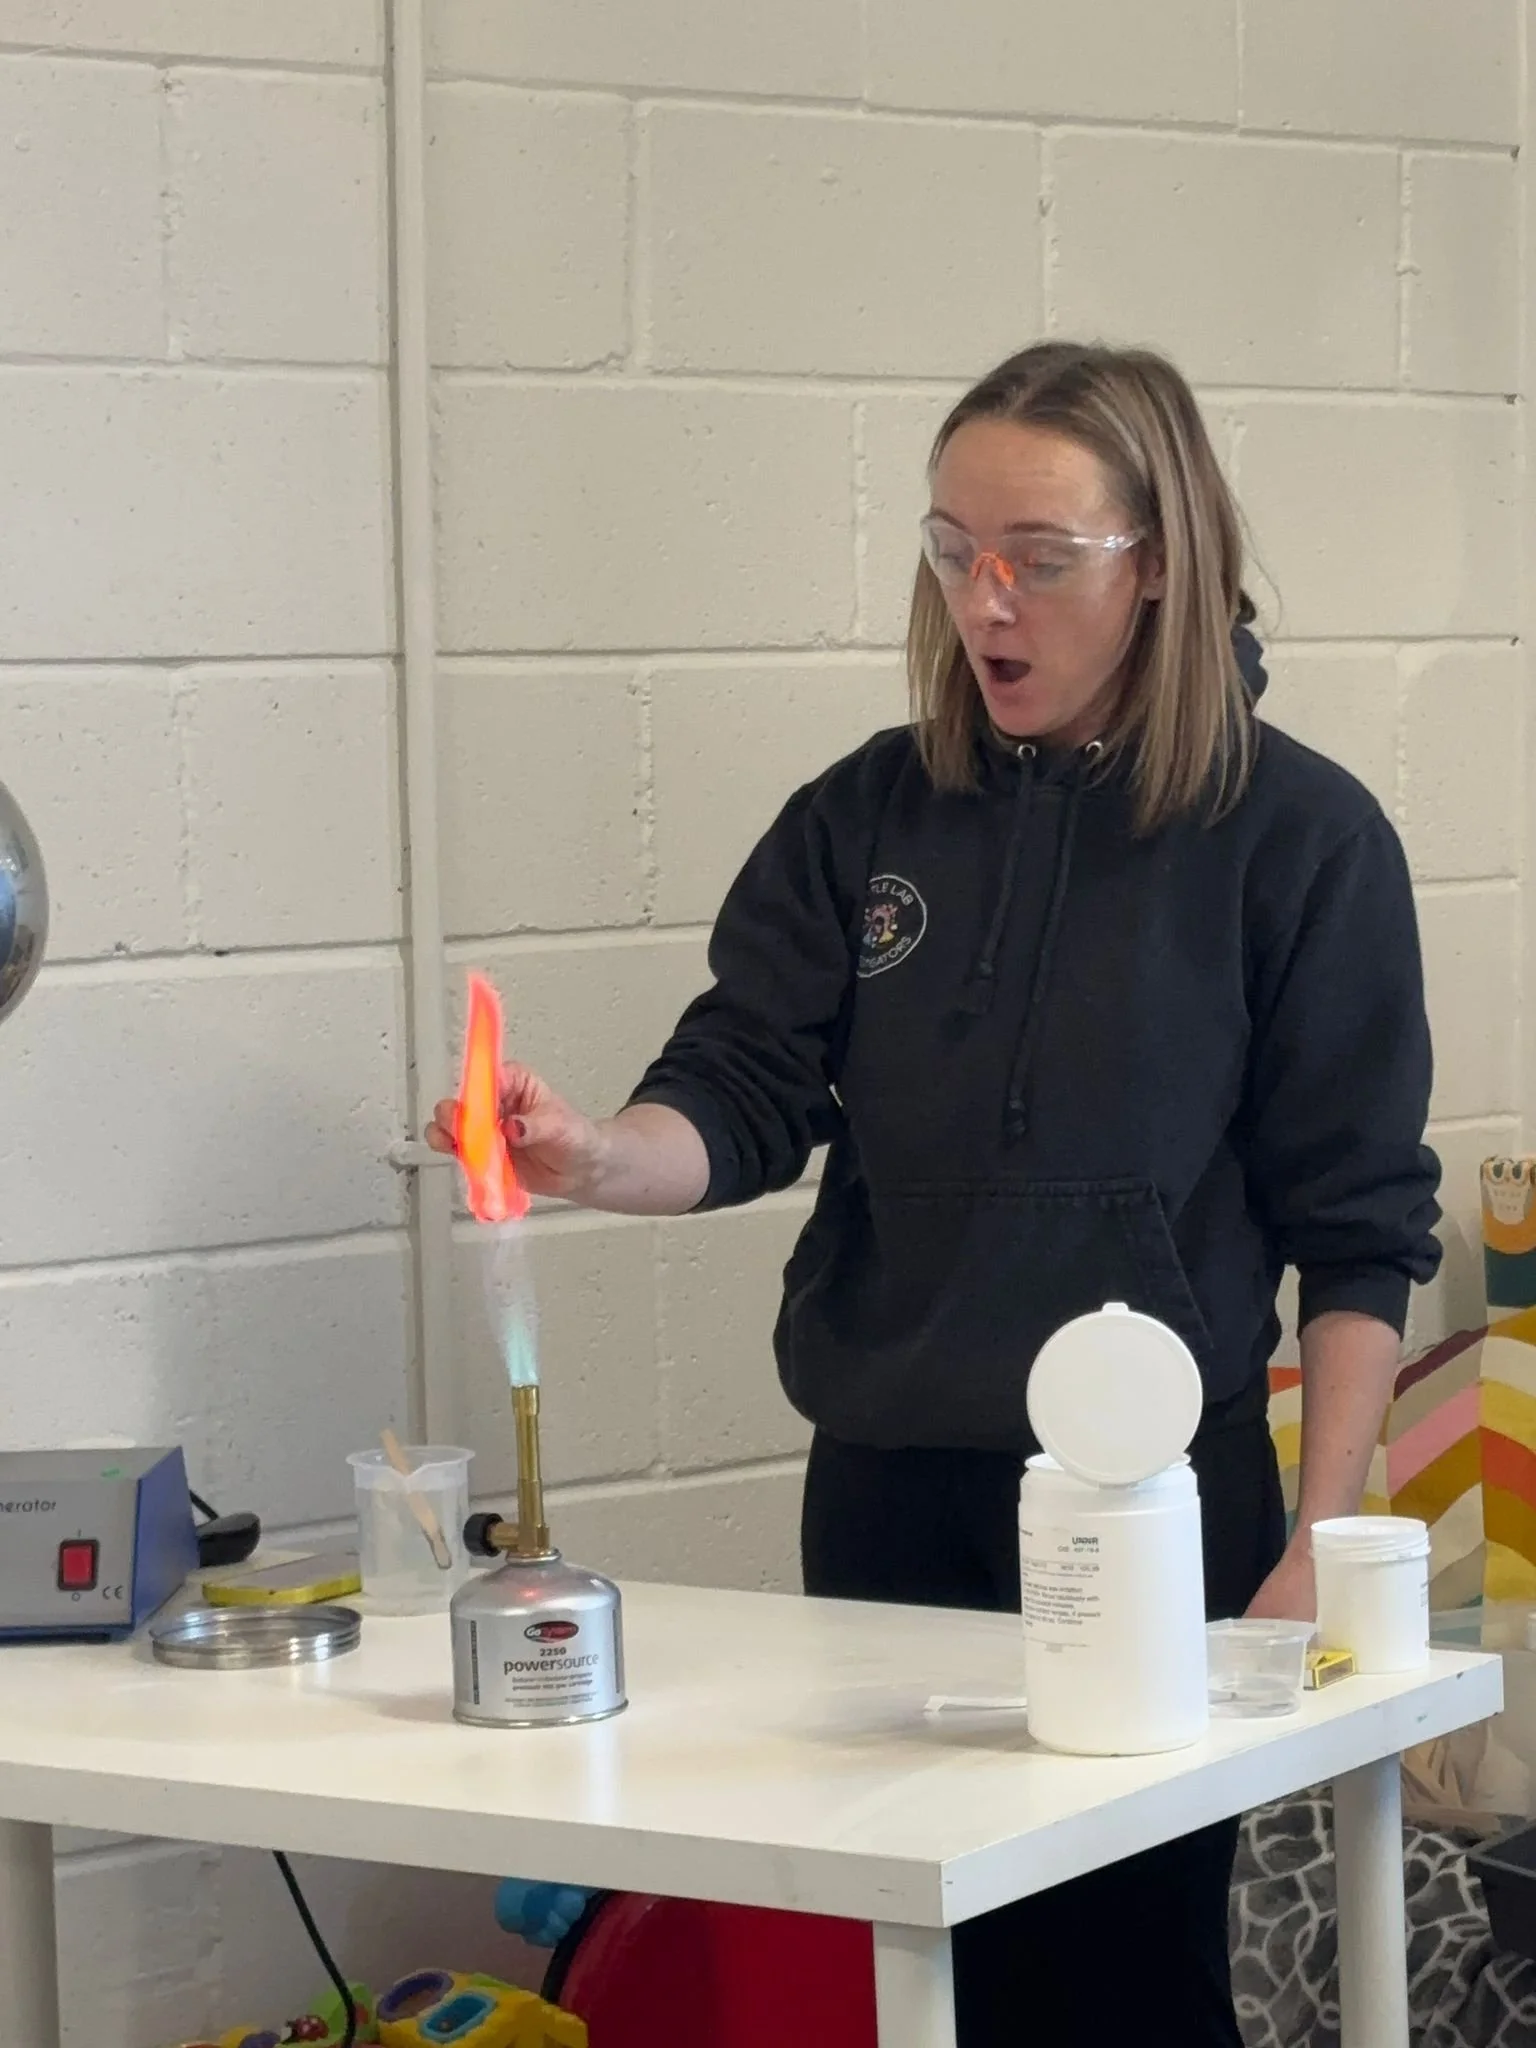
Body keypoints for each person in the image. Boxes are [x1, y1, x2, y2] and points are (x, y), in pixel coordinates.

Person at [427, 341, 1441, 2046]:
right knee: (920, 1983)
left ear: (1162, 562)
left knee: (1122, 1989)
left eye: (1040, 556)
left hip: (1156, 1521)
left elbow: (1359, 1229)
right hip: (889, 1497)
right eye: (953, 546)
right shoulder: (864, 818)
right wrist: (595, 1152)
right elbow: (743, 1091)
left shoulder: (1302, 842)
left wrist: (1320, 1544)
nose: (987, 598)